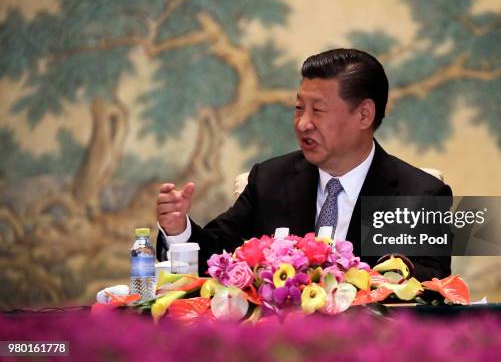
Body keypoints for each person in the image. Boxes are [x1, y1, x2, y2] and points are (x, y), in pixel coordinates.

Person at [156, 48, 452, 281]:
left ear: (364, 115)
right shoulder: (270, 179)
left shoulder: (419, 195)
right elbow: (214, 255)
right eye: (299, 108)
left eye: (318, 110)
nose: (303, 123)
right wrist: (178, 228)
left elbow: (430, 283)